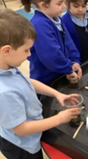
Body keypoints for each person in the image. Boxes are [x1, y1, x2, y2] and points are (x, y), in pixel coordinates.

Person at [0, 9, 81, 159]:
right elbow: (22, 129)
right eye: (26, 50)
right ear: (6, 51)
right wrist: (60, 119)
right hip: (21, 146)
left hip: (29, 137)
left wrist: (57, 94)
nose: (30, 54)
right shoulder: (4, 93)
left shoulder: (7, 67)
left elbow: (27, 82)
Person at [21, 0, 82, 85]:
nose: (64, 6)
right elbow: (51, 55)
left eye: (64, 2)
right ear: (43, 5)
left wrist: (75, 61)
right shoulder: (39, 25)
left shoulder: (57, 18)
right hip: (46, 80)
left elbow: (69, 42)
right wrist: (68, 68)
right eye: (59, 3)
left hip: (61, 73)